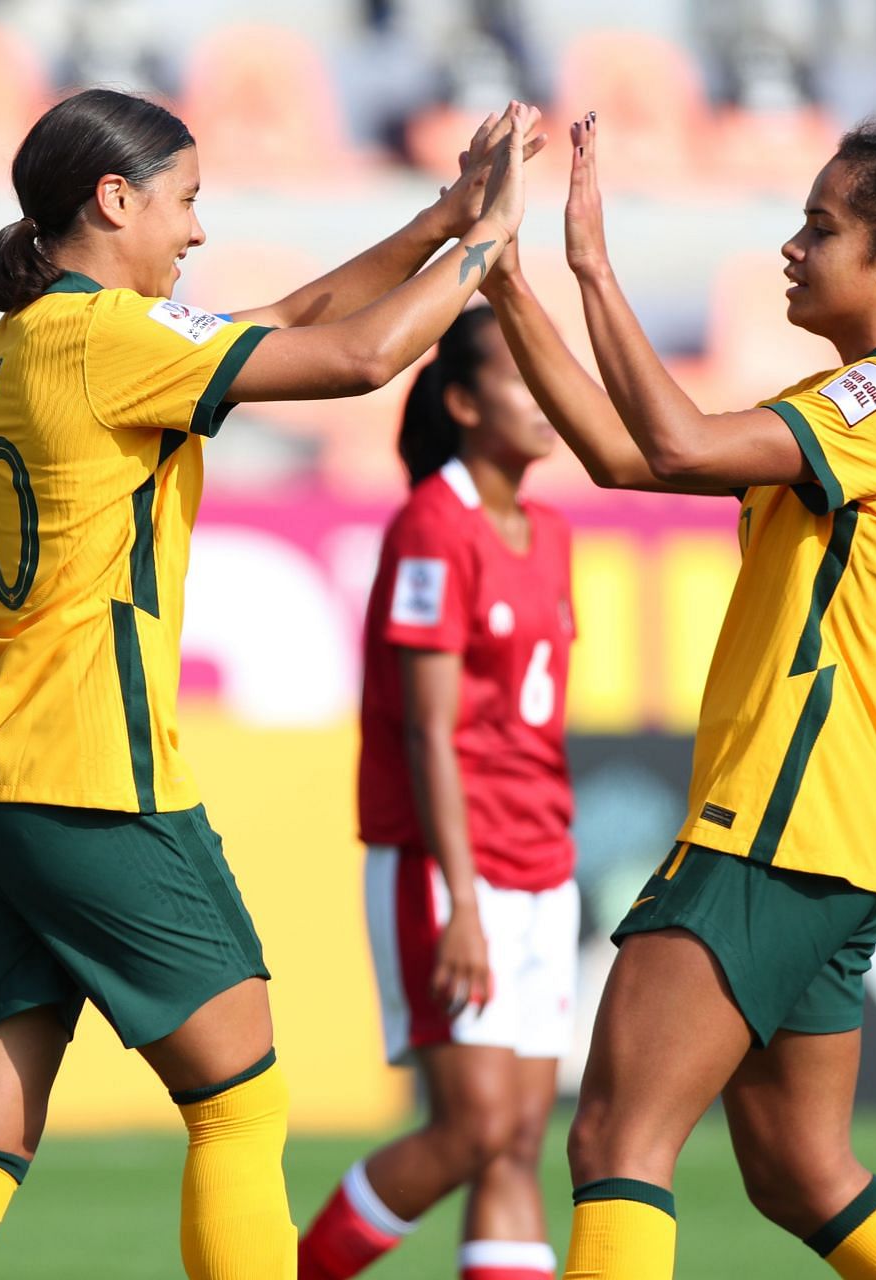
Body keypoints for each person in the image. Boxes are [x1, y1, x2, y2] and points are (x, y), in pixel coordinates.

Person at [0, 88, 537, 1280]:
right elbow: (362, 354)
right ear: (114, 197)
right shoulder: (114, 340)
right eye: (185, 201)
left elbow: (289, 314)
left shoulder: (29, 336)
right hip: (93, 781)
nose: (195, 231)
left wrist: (444, 217)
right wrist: (496, 242)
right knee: (238, 1101)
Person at [480, 91, 876, 1279]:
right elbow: (631, 457)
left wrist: (590, 265)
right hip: (832, 829)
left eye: (818, 226)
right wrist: (505, 283)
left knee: (616, 1133)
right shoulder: (857, 406)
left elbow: (677, 441)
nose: (792, 247)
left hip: (779, 825)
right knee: (800, 1168)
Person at [298, 303, 578, 1280]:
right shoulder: (431, 524)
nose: (545, 394)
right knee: (473, 1125)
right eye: (517, 374)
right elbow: (429, 730)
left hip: (543, 861)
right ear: (462, 400)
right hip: (451, 864)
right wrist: (461, 898)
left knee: (520, 1137)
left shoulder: (548, 531)